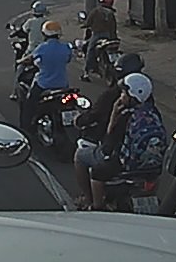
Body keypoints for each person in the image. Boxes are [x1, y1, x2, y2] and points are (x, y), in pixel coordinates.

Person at [73, 72, 167, 210]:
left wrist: (113, 116)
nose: (121, 96)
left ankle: (93, 203)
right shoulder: (152, 112)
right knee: (152, 176)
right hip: (152, 168)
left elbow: (107, 146)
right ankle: (150, 195)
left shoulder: (125, 115)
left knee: (81, 157)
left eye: (124, 93)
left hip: (124, 164)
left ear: (131, 96)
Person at [17, 20, 73, 132]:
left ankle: (26, 129)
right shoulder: (66, 47)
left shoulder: (42, 48)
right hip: (62, 84)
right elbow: (68, 59)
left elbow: (30, 58)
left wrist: (20, 61)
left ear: (44, 34)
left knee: (29, 105)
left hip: (44, 84)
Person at [78, 52, 144, 143]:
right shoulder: (145, 95)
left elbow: (95, 114)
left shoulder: (111, 96)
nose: (122, 96)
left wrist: (79, 120)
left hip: (113, 142)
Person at [10, 1, 49, 101]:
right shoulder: (47, 22)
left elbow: (22, 31)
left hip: (31, 51)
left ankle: (14, 92)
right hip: (45, 51)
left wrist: (14, 33)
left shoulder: (30, 22)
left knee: (20, 67)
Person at [82, 0, 118, 82]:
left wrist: (84, 25)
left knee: (90, 51)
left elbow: (88, 22)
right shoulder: (111, 13)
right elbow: (114, 27)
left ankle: (87, 71)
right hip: (110, 36)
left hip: (97, 35)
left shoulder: (96, 11)